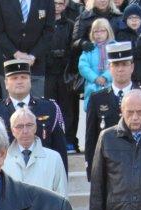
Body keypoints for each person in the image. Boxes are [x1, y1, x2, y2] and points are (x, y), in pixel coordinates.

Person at [84, 41, 141, 177]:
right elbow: (91, 138)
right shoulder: (97, 99)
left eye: (125, 64)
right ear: (109, 67)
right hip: (110, 169)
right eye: (116, 65)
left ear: (132, 67)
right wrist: (92, 171)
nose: (120, 69)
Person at [0, 58, 69, 171]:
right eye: (14, 78)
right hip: (7, 174)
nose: (19, 81)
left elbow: (60, 149)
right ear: (6, 83)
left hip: (43, 172)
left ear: (30, 80)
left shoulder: (49, 108)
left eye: (24, 77)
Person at [0, 0, 55, 96]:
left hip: (35, 65)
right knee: (11, 108)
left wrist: (33, 55)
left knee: (36, 107)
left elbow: (49, 31)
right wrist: (16, 53)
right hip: (9, 63)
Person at [3, 106, 67, 195]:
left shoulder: (54, 158)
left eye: (29, 125)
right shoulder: (2, 159)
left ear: (36, 127)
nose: (25, 131)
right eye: (19, 126)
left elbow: (62, 194)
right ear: (12, 131)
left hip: (45, 208)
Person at [45, 0, 79, 151]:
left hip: (65, 72)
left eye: (60, 3)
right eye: (55, 3)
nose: (57, 6)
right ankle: (50, 139)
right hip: (48, 71)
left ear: (65, 5)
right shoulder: (43, 24)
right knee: (49, 106)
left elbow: (74, 48)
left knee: (67, 107)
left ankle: (69, 140)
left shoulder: (71, 25)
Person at [78, 18, 113, 111]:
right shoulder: (89, 49)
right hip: (92, 87)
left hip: (110, 85)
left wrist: (105, 77)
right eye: (95, 31)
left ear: (108, 31)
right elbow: (82, 66)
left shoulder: (114, 47)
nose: (99, 34)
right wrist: (95, 78)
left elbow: (116, 64)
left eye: (102, 31)